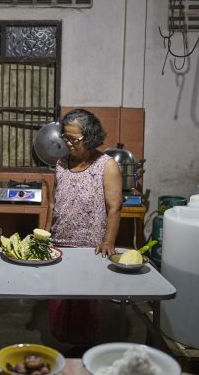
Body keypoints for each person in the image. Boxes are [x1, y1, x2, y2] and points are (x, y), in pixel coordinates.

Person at [47, 108, 123, 348]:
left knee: (84, 303)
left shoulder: (106, 165)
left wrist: (108, 241)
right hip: (60, 243)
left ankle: (84, 352)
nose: (68, 143)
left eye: (74, 139)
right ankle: (61, 349)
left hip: (89, 247)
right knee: (59, 298)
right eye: (65, 137)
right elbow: (54, 202)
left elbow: (114, 207)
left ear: (90, 138)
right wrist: (46, 233)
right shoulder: (61, 164)